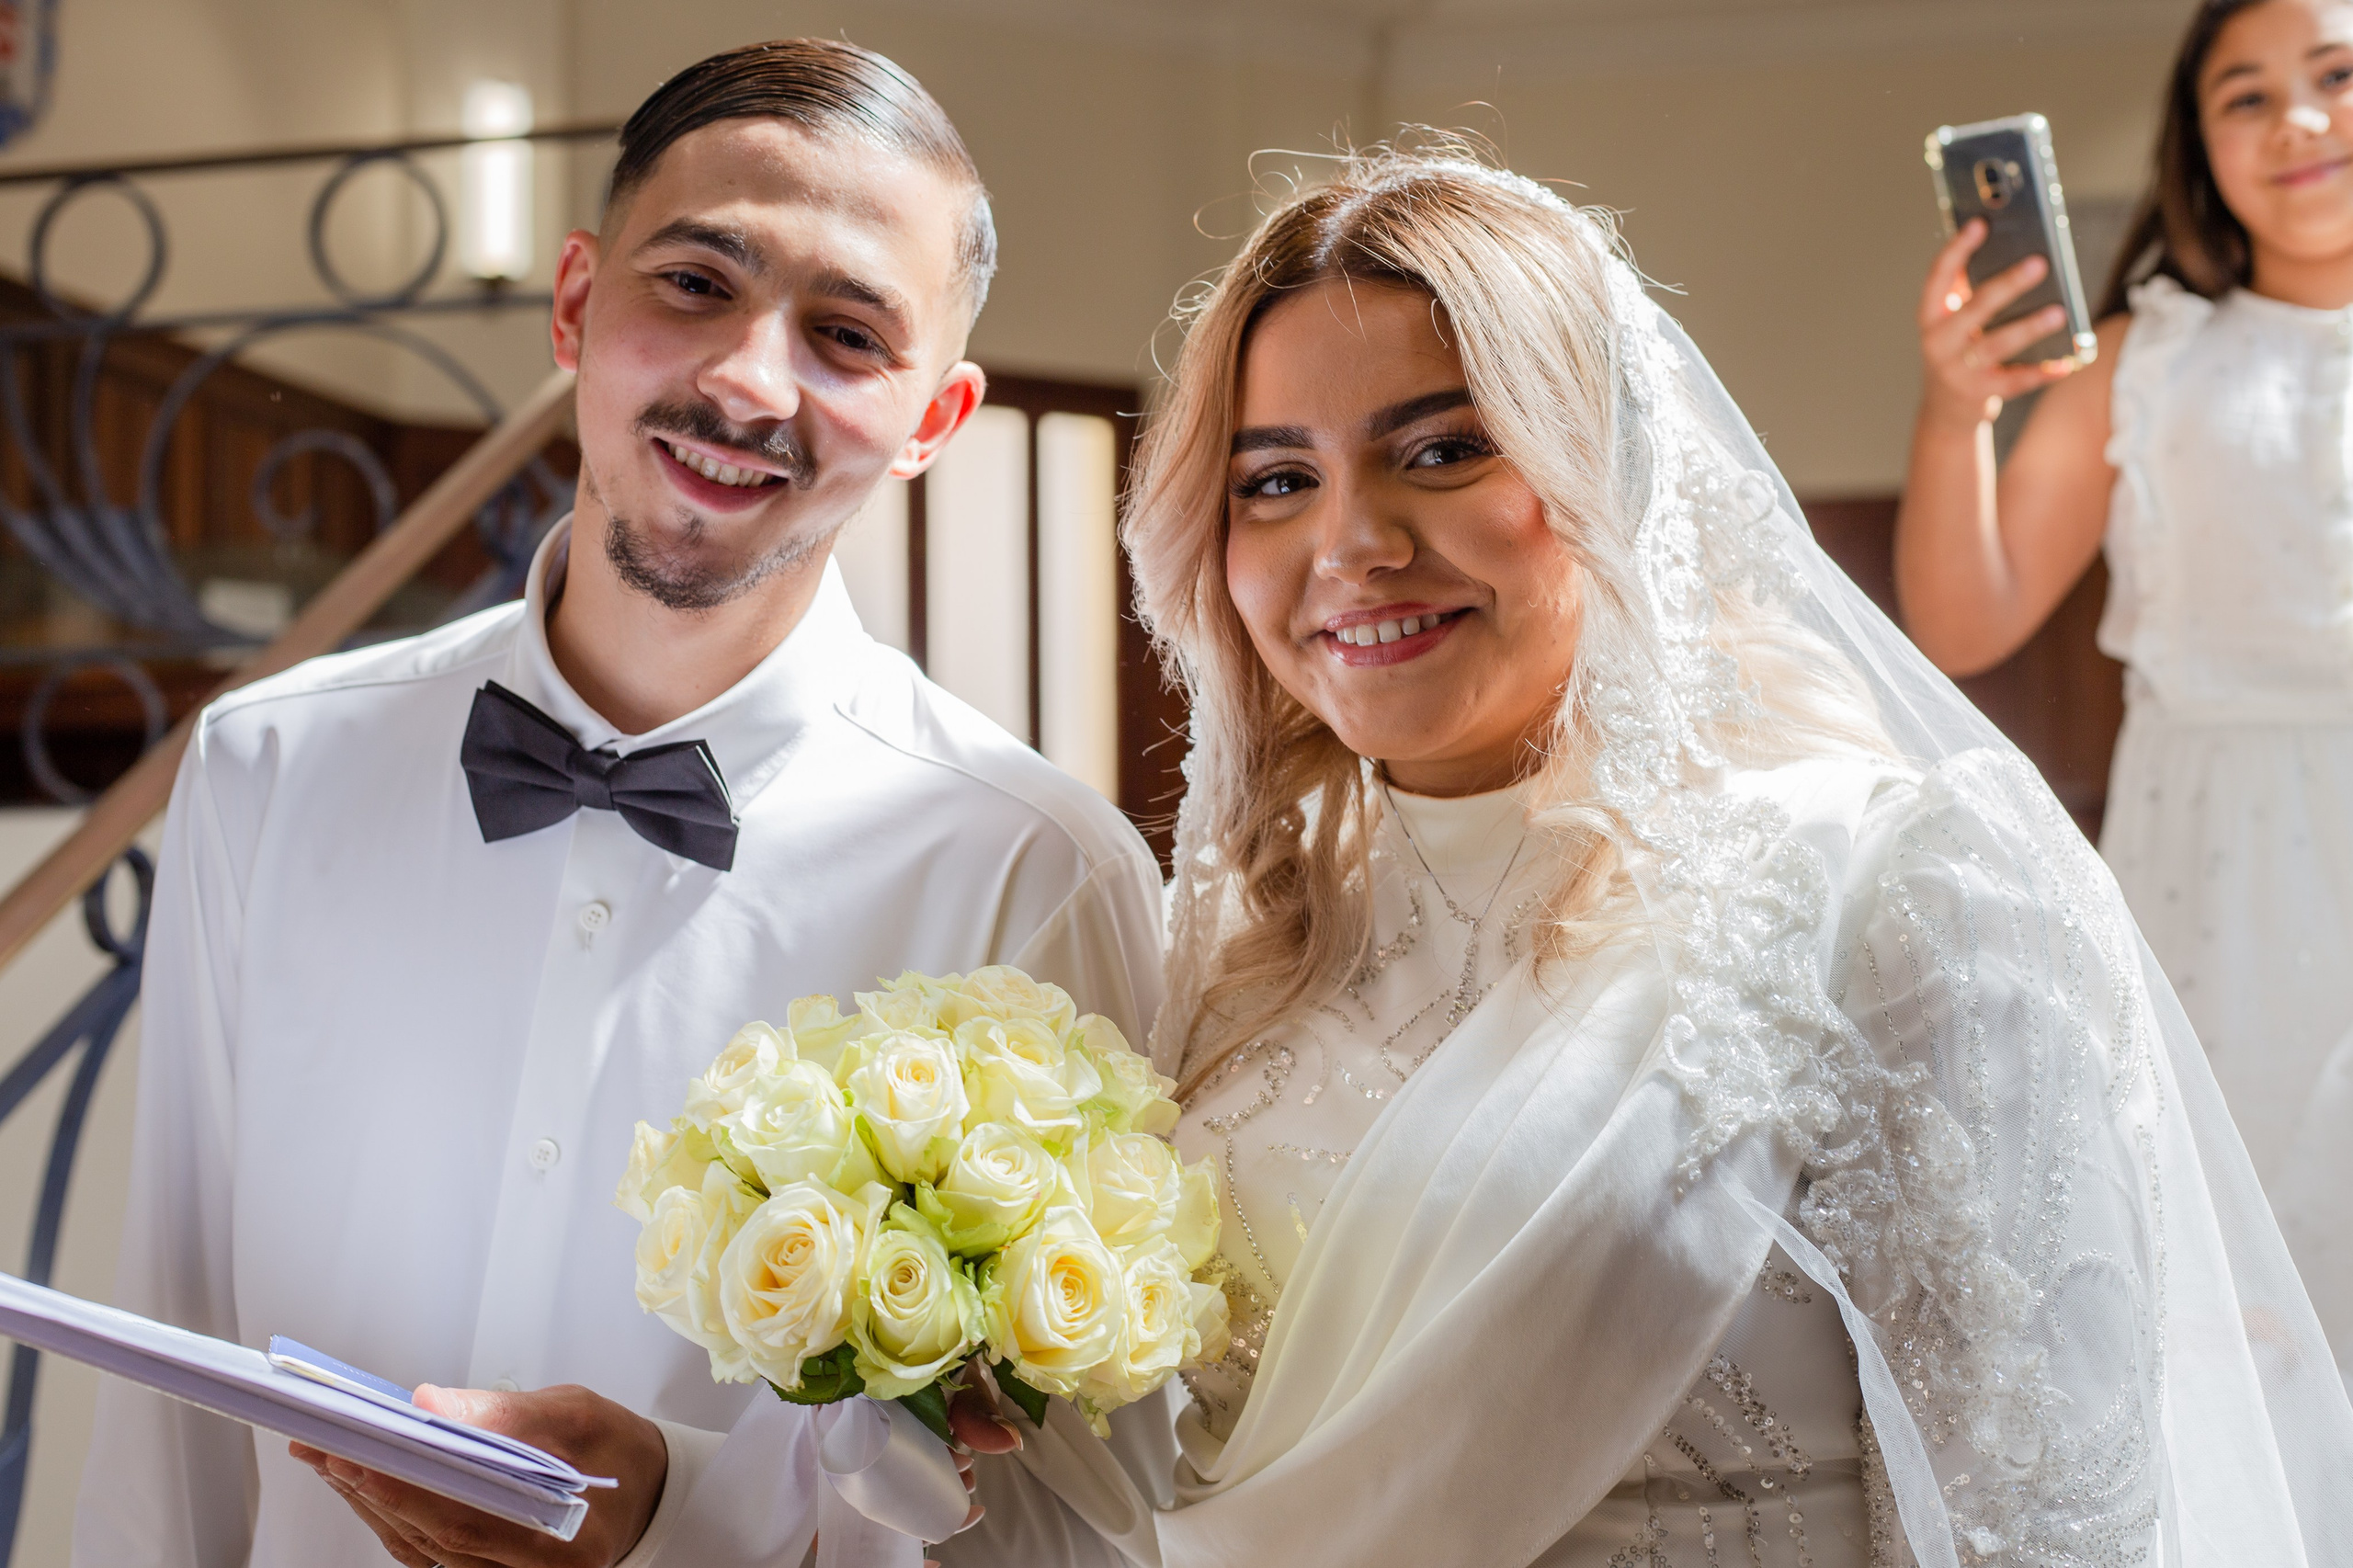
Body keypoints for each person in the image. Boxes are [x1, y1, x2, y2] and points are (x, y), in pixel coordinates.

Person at [943, 144, 2353, 1567]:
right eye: (1277, 479)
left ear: (1611, 461)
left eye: (1442, 450)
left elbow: (2056, 1527)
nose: (1351, 540)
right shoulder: (1237, 961)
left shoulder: (1892, 885)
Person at [73, 39, 1164, 1568]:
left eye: (848, 334)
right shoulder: (266, 769)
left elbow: (1078, 1528)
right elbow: (173, 1377)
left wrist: (687, 1515)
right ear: (577, 302)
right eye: (697, 284)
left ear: (934, 415)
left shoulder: (1034, 871)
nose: (748, 381)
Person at [1892, 0, 2353, 1367]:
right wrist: (1958, 411)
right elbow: (1963, 620)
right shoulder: (2147, 361)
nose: (2299, 121)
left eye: (2336, 74)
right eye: (2245, 96)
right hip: (2219, 864)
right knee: (2252, 1274)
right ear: (2197, 147)